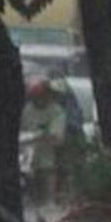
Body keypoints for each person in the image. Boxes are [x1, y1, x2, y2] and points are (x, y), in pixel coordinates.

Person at [20, 79, 67, 207]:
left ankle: (50, 200)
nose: (38, 99)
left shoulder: (56, 111)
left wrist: (38, 137)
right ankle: (29, 199)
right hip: (27, 151)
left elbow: (56, 136)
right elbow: (22, 129)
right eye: (35, 96)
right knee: (26, 172)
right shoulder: (27, 110)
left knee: (48, 169)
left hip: (48, 150)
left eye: (41, 96)